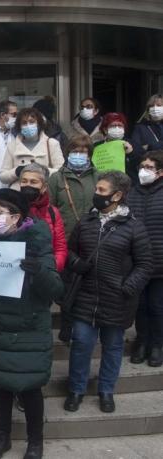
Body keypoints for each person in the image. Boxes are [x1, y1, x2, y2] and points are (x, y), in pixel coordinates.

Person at [0, 189, 62, 459]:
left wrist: (38, 270)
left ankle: (35, 442)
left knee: (29, 390)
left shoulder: (38, 243)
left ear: (18, 217)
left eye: (2, 211)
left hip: (27, 328)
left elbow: (55, 289)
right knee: (1, 386)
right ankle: (1, 437)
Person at [64, 171, 152, 414]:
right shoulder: (86, 222)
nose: (96, 194)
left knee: (113, 347)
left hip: (118, 300)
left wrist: (128, 287)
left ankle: (106, 390)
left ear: (118, 195)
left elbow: (145, 264)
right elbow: (70, 251)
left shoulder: (134, 227)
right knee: (81, 344)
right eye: (97, 189)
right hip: (85, 297)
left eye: (101, 191)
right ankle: (76, 389)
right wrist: (75, 263)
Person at [127, 151, 163, 367]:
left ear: (160, 172)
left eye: (149, 167)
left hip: (160, 262)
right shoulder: (132, 193)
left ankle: (157, 345)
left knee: (157, 306)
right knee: (139, 306)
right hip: (137, 262)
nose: (144, 170)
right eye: (142, 166)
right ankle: (141, 342)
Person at [0, 107, 64, 190]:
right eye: (24, 123)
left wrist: (41, 171)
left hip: (44, 194)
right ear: (19, 126)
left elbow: (61, 172)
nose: (28, 125)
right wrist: (17, 171)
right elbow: (2, 177)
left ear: (39, 124)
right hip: (18, 194)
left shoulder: (51, 143)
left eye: (32, 122)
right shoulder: (13, 145)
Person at [47, 135, 98, 239]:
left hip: (92, 235)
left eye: (83, 152)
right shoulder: (56, 178)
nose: (78, 155)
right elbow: (50, 209)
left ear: (89, 155)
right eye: (74, 152)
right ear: (68, 154)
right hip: (65, 235)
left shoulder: (99, 177)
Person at [19, 163, 68, 272]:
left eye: (33, 182)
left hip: (43, 273)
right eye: (24, 181)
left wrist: (51, 267)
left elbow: (60, 247)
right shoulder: (10, 208)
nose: (28, 185)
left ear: (44, 187)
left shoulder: (52, 212)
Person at [95, 112, 144, 184]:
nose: (117, 128)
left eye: (120, 126)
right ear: (105, 129)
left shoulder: (133, 144)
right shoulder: (96, 147)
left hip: (127, 185)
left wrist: (131, 153)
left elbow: (142, 164)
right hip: (103, 183)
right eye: (113, 126)